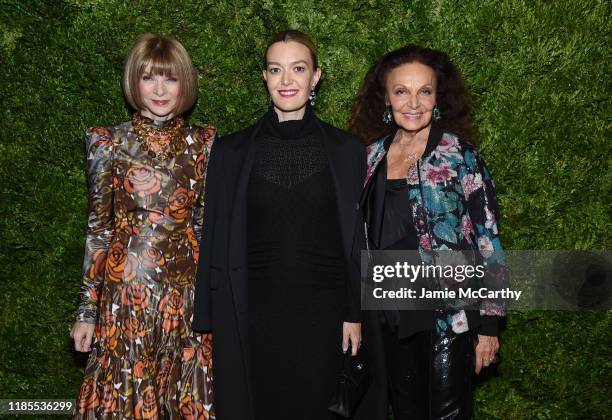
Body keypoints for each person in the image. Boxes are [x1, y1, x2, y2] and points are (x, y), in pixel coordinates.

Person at [192, 30, 375, 420]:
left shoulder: (347, 152)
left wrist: (354, 312)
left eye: (298, 69)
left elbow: (359, 241)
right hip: (252, 313)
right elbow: (213, 235)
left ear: (316, 77)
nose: (287, 80)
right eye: (276, 70)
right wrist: (206, 319)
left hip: (326, 317)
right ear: (265, 77)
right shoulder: (231, 151)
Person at [349, 46, 508, 419]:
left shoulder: (461, 157)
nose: (413, 103)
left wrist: (488, 325)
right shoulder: (369, 157)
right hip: (388, 315)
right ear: (386, 98)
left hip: (448, 317)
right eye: (401, 91)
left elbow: (489, 241)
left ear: (438, 96)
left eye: (425, 91)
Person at [70, 33, 216, 419]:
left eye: (169, 78)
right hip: (125, 300)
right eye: (149, 77)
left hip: (185, 303)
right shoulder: (108, 142)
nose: (160, 89)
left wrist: (212, 300)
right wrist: (87, 311)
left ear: (185, 82)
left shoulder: (205, 143)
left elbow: (203, 227)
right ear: (134, 81)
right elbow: (99, 229)